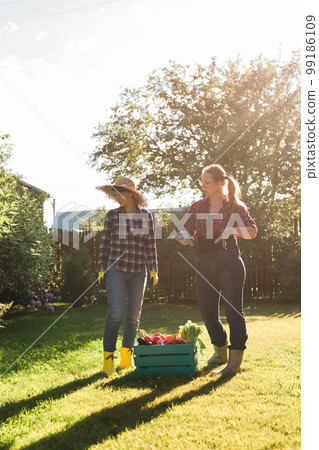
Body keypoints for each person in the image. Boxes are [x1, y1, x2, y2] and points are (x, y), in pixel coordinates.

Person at [177, 164, 257, 376]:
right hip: (203, 261)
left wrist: (232, 228)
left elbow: (252, 231)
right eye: (201, 182)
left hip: (229, 259)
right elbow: (183, 231)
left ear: (221, 183)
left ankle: (234, 363)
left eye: (207, 182)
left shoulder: (235, 207)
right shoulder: (197, 207)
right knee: (208, 311)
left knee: (234, 312)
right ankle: (220, 352)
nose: (203, 186)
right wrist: (184, 238)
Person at [96, 177, 158, 376]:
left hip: (139, 270)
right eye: (114, 193)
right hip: (116, 268)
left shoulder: (146, 216)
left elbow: (150, 244)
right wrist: (101, 267)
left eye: (120, 193)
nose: (117, 197)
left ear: (131, 194)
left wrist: (154, 268)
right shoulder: (112, 216)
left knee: (133, 317)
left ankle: (126, 359)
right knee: (115, 314)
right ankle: (108, 362)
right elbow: (104, 242)